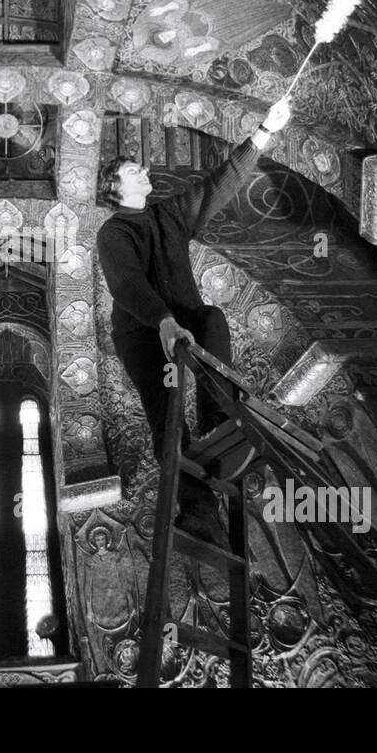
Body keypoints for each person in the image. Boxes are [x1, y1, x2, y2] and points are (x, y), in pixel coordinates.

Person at [95, 110, 285, 546]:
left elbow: (218, 186)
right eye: (131, 170)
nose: (143, 171)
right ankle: (198, 510)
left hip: (186, 324)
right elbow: (126, 283)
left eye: (142, 167)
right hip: (144, 336)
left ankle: (221, 418)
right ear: (113, 187)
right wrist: (162, 321)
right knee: (168, 416)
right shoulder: (113, 232)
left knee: (213, 318)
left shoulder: (171, 216)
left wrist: (262, 134)